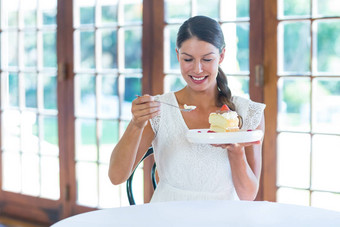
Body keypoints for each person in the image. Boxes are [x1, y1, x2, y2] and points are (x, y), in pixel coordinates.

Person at [108, 15, 265, 202]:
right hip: (167, 215)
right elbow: (116, 177)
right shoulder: (158, 109)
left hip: (224, 217)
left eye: (207, 59)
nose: (197, 69)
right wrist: (135, 124)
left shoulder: (248, 113)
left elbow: (248, 196)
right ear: (177, 55)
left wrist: (236, 150)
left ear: (221, 56)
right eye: (188, 59)